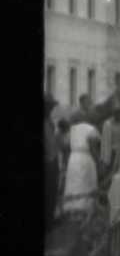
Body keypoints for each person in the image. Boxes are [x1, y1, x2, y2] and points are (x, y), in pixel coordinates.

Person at [57, 110, 103, 256]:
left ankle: (74, 210)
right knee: (86, 187)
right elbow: (93, 147)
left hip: (73, 160)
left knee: (75, 186)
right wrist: (98, 162)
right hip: (85, 160)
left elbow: (64, 146)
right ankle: (84, 211)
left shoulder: (72, 130)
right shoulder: (90, 128)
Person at [43, 94, 63, 234]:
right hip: (47, 161)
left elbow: (52, 140)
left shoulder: (49, 120)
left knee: (52, 191)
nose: (51, 108)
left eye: (52, 106)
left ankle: (49, 221)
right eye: (49, 106)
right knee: (47, 192)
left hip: (53, 160)